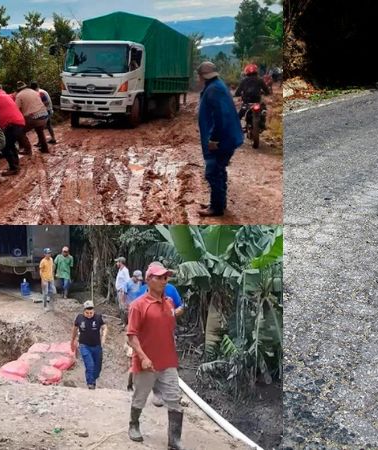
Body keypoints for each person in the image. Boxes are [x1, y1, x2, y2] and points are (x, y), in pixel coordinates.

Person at [126, 262, 184, 449]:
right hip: (146, 362)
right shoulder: (138, 306)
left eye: (165, 277)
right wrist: (143, 356)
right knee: (140, 398)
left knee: (174, 400)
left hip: (167, 362)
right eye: (158, 277)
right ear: (148, 279)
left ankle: (174, 441)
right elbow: (131, 336)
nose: (163, 281)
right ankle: (133, 424)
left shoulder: (169, 303)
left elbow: (168, 329)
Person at [196, 61, 244, 217]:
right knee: (219, 170)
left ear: (202, 76)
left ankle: (216, 208)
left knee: (212, 172)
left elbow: (220, 117)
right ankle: (218, 202)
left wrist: (213, 139)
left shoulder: (213, 89)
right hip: (226, 138)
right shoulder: (217, 86)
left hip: (221, 140)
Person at [0, 82, 25, 175]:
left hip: (11, 124)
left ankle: (14, 168)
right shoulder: (6, 95)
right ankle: (15, 165)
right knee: (10, 144)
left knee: (5, 146)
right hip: (20, 122)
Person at [70, 300, 106, 389]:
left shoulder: (98, 318)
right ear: (84, 311)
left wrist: (104, 337)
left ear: (94, 311)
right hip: (84, 345)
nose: (89, 315)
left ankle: (93, 378)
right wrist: (72, 340)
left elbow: (105, 327)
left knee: (97, 367)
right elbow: (74, 329)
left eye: (91, 313)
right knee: (89, 364)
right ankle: (90, 384)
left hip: (97, 346)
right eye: (87, 313)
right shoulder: (79, 318)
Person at [14, 81, 49, 154]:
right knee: (40, 130)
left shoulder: (19, 95)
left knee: (20, 132)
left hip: (34, 117)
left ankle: (28, 149)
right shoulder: (34, 92)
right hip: (45, 115)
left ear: (18, 89)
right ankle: (45, 148)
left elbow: (16, 109)